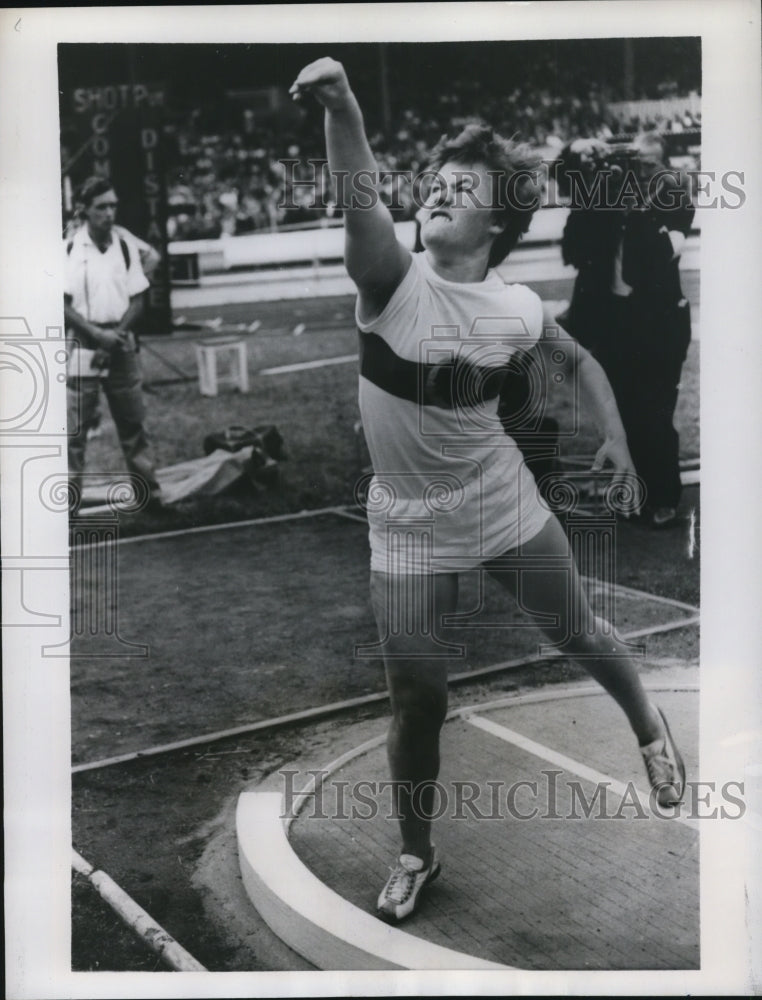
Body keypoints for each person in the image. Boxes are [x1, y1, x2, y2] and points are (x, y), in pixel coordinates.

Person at [290, 58, 686, 924]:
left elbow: (577, 362)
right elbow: (360, 195)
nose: (433, 193)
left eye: (456, 187)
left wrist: (614, 434)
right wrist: (343, 106)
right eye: (432, 182)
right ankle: (414, 853)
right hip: (405, 525)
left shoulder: (515, 307)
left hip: (498, 499)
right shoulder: (390, 280)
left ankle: (650, 727)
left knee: (576, 629)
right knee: (419, 700)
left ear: (497, 220)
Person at [557, 134, 695, 527]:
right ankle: (633, 492)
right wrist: (589, 170)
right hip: (616, 320)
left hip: (659, 322)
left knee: (655, 410)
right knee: (622, 411)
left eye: (647, 165)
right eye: (635, 164)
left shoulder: (671, 196)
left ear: (663, 165)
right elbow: (574, 248)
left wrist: (637, 206)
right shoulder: (606, 199)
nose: (640, 172)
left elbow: (660, 253)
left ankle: (663, 495)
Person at [64, 176, 162, 511]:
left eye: (113, 205)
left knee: (133, 424)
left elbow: (138, 297)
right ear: (84, 210)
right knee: (75, 431)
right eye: (101, 207)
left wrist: (116, 335)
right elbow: (60, 303)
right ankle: (69, 505)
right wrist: (96, 335)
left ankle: (149, 496)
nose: (109, 212)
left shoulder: (124, 245)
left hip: (120, 342)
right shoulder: (69, 248)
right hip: (83, 343)